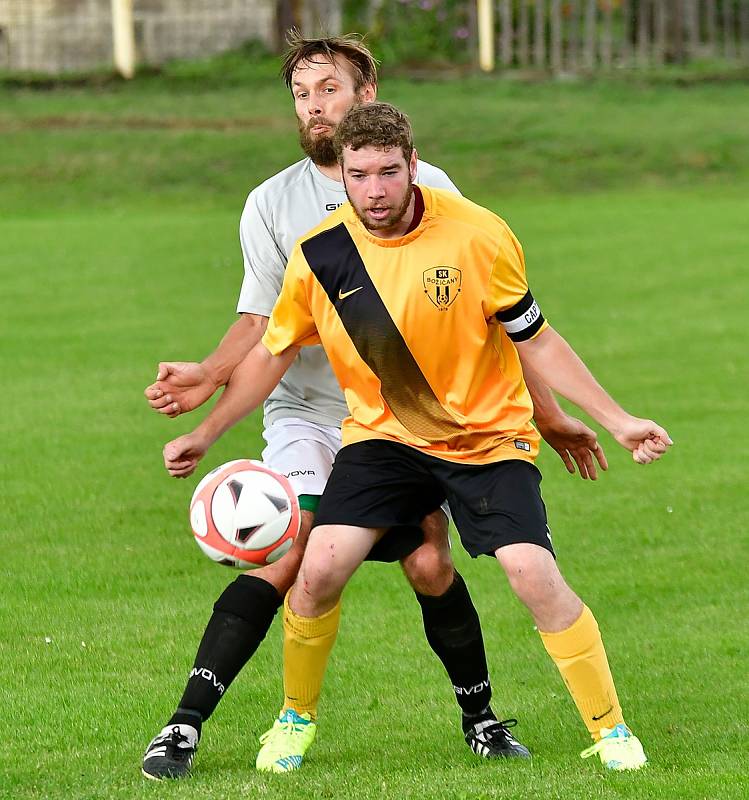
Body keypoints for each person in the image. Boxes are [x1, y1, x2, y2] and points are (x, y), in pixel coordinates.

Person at [142, 36, 607, 780]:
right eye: (301, 93)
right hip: (305, 411)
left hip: (412, 417)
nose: (313, 104)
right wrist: (208, 377)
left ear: (368, 99)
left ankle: (481, 719)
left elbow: (496, 319)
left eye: (329, 88)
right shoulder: (272, 204)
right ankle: (184, 727)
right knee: (293, 555)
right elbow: (265, 326)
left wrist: (546, 414)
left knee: (427, 561)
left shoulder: (433, 192)